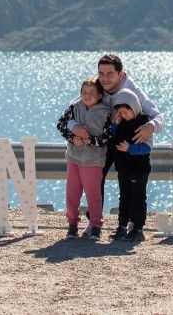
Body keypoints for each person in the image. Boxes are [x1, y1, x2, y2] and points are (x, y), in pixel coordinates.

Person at [72, 53, 166, 225]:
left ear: (120, 75)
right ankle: (94, 223)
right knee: (95, 180)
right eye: (101, 73)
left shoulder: (133, 91)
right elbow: (73, 109)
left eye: (110, 74)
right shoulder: (96, 87)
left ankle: (132, 224)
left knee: (131, 187)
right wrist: (74, 128)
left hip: (127, 146)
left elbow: (159, 117)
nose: (104, 78)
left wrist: (150, 126)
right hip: (103, 144)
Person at [55, 77, 110, 241]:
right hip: (73, 158)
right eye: (84, 92)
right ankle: (72, 225)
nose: (87, 95)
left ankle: (96, 227)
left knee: (93, 196)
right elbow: (61, 124)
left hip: (94, 161)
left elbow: (108, 138)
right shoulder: (74, 107)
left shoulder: (106, 112)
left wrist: (90, 140)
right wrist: (73, 138)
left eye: (92, 93)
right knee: (72, 195)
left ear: (100, 95)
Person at [108, 89, 153, 241]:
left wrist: (130, 149)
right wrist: (116, 124)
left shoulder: (143, 123)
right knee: (124, 197)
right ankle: (122, 226)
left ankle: (137, 228)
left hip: (138, 168)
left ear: (133, 108)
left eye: (125, 112)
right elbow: (114, 137)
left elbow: (147, 147)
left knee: (138, 197)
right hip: (123, 168)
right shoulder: (121, 123)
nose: (123, 115)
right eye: (120, 112)